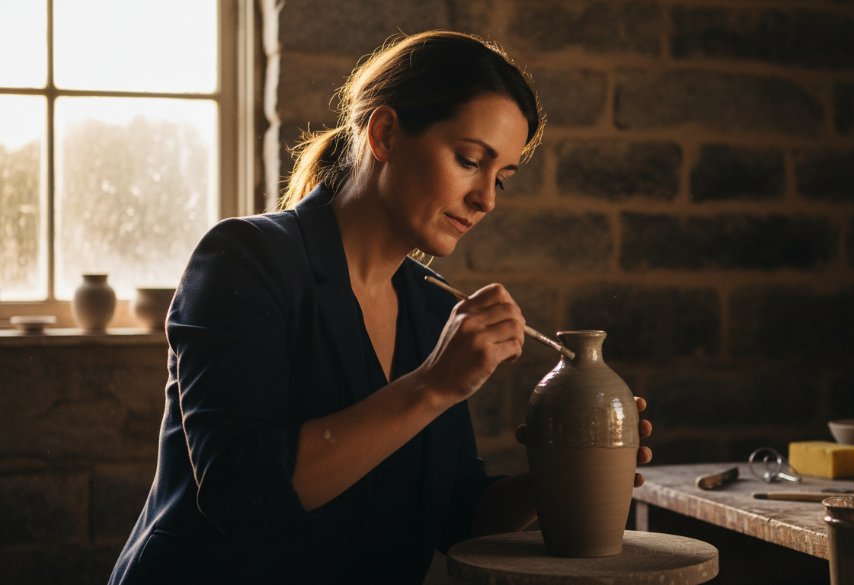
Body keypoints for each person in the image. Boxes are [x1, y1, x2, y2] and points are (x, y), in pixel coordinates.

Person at [109, 30, 652, 584]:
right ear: (386, 133)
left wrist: (567, 471)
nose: (486, 199)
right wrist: (433, 385)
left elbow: (457, 514)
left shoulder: (433, 304)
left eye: (502, 180)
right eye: (469, 160)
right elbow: (241, 493)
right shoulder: (246, 258)